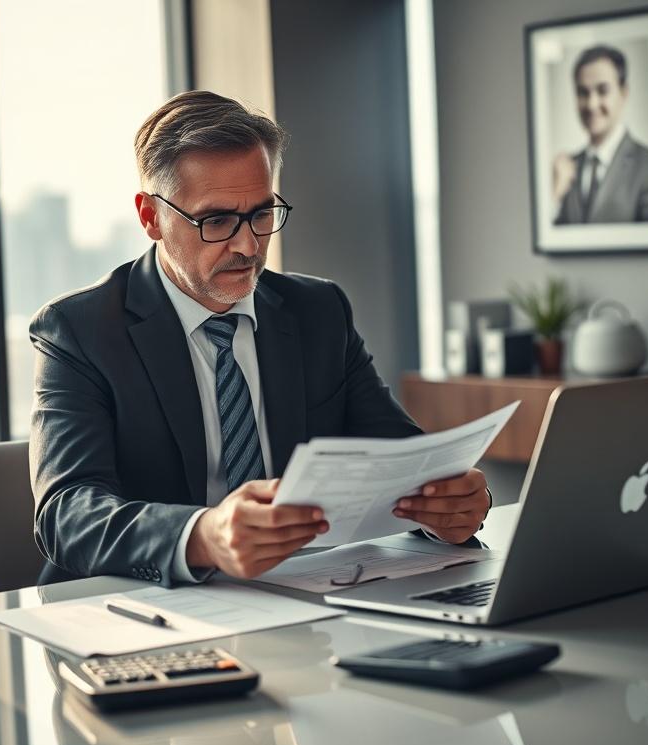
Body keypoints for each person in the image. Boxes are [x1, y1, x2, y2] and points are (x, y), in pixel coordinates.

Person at [29, 91, 491, 588]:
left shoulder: (319, 311)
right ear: (150, 217)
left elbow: (400, 456)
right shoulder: (78, 331)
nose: (248, 245)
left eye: (262, 213)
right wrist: (204, 535)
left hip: (300, 599)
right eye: (217, 220)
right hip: (137, 610)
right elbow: (67, 513)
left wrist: (451, 507)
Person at [552, 44, 648, 225]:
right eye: (583, 92)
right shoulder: (567, 169)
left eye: (603, 90)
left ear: (624, 93)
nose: (591, 104)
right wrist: (554, 196)